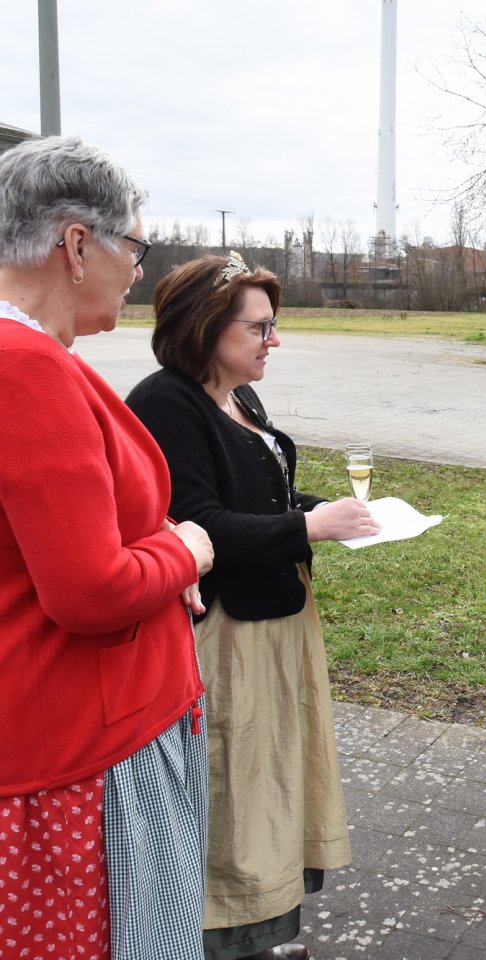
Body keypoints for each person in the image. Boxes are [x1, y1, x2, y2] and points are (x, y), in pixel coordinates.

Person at [126, 254, 380, 960]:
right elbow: (200, 523)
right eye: (261, 327)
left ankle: (259, 930)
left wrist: (322, 509)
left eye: (275, 326)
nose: (275, 341)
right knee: (232, 786)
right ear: (209, 327)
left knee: (270, 779)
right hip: (225, 638)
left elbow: (256, 501)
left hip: (275, 623)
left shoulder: (240, 396)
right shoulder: (166, 404)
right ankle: (218, 935)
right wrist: (308, 528)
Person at [0, 135, 214, 960]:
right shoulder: (28, 369)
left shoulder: (36, 358)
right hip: (85, 746)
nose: (138, 270)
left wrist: (150, 551)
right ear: (77, 244)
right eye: (135, 245)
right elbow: (87, 592)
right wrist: (186, 552)